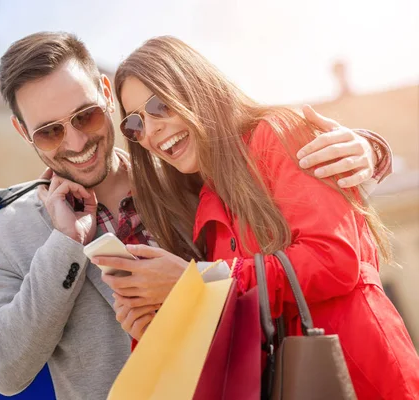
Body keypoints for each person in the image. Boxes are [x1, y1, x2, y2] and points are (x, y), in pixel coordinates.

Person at [0, 32, 393, 399]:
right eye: (50, 130)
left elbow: (261, 173)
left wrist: (369, 151)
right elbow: (3, 371)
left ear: (104, 92)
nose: (76, 141)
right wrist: (64, 245)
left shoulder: (182, 172)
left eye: (86, 115)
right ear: (24, 131)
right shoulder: (0, 236)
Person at [96, 35, 419, 399]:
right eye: (135, 125)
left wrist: (199, 284)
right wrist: (155, 321)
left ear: (196, 86)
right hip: (287, 383)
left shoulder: (275, 133)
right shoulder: (201, 202)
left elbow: (334, 258)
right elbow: (237, 315)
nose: (150, 131)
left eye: (159, 105)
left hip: (363, 373)